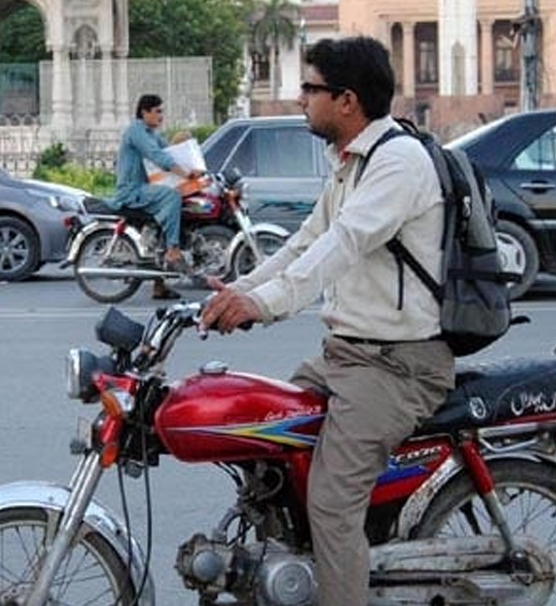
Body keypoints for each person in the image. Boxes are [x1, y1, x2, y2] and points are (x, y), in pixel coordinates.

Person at [199, 36, 454, 606]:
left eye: (310, 89)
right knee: (267, 452)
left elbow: (344, 243)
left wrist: (265, 306)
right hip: (346, 356)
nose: (300, 100)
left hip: (398, 367)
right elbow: (304, 243)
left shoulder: (398, 162)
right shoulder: (350, 164)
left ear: (346, 99)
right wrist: (236, 292)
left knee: (332, 501)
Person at [111, 93, 199, 300]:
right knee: (172, 197)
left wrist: (193, 161)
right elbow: (158, 156)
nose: (161, 116)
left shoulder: (151, 133)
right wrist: (184, 173)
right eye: (158, 111)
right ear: (145, 112)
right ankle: (173, 250)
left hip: (145, 188)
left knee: (172, 214)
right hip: (132, 190)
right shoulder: (137, 131)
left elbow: (168, 151)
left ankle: (159, 286)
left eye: (162, 111)